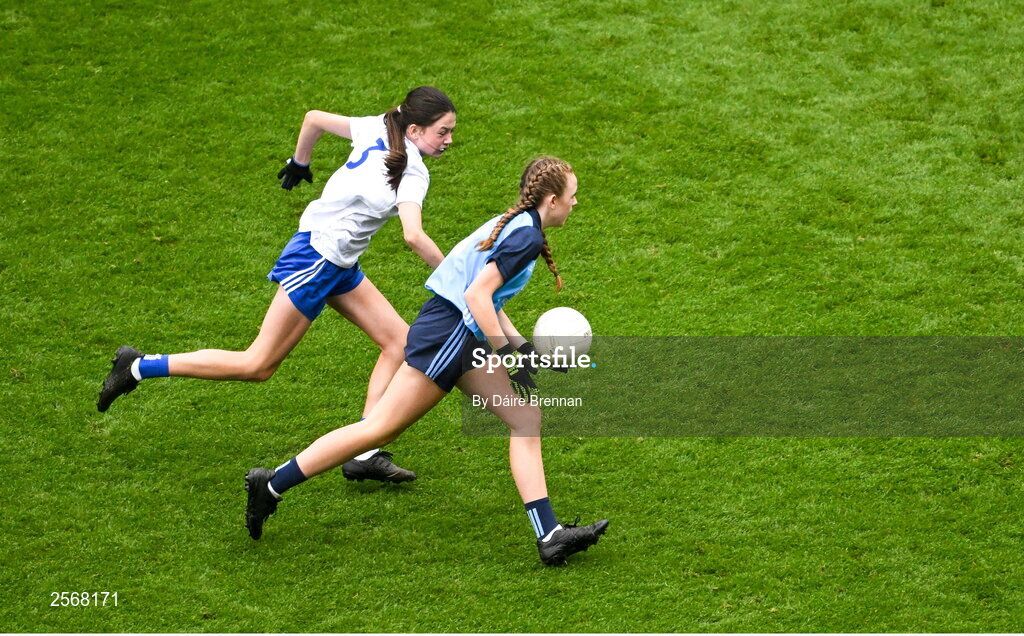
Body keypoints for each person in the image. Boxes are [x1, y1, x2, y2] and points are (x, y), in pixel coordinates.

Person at [243, 156, 609, 566]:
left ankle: (550, 535)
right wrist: (509, 357)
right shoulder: (524, 237)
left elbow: (490, 298)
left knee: (525, 419)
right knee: (378, 428)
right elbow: (476, 298)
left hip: (455, 330)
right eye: (573, 197)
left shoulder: (518, 223)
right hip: (449, 335)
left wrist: (525, 351)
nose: (576, 204)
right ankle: (272, 484)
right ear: (554, 199)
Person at [97, 86, 458, 483]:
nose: (449, 141)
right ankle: (138, 367)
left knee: (399, 343)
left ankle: (363, 452)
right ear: (414, 130)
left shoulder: (379, 125)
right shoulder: (412, 173)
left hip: (336, 259)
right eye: (442, 132)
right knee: (257, 365)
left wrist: (299, 162)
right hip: (317, 260)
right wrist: (455, 278)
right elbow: (413, 236)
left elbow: (314, 119)